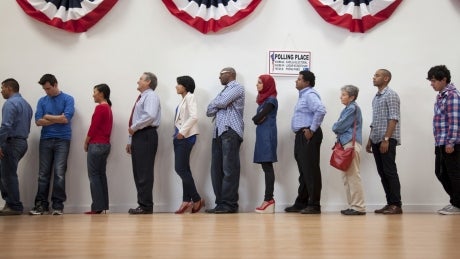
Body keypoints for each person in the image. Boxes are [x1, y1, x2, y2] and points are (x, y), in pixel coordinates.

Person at [30, 74, 75, 216]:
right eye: (45, 89)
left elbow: (66, 119)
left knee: (59, 173)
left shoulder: (68, 99)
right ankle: (40, 206)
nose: (47, 92)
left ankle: (57, 206)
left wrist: (47, 116)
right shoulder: (42, 101)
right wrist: (57, 118)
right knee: (43, 174)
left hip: (63, 140)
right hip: (45, 140)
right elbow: (38, 121)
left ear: (55, 84)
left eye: (48, 88)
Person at [285, 70, 326, 214]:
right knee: (304, 171)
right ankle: (301, 202)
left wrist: (312, 130)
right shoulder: (303, 96)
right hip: (302, 135)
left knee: (311, 171)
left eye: (299, 79)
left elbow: (321, 110)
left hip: (308, 135)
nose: (296, 81)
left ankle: (314, 205)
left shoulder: (310, 95)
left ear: (307, 82)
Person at [205, 67, 245, 214]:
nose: (219, 77)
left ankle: (230, 204)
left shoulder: (237, 87)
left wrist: (218, 102)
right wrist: (219, 102)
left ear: (230, 74)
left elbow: (221, 103)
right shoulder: (223, 92)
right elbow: (209, 111)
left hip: (230, 131)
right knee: (216, 170)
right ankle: (221, 203)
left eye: (221, 74)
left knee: (230, 169)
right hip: (218, 133)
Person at [366, 69, 402, 215]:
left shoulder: (391, 95)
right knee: (382, 172)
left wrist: (386, 139)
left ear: (386, 78)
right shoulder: (376, 97)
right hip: (376, 139)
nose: (374, 77)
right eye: (374, 75)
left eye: (377, 75)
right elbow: (375, 121)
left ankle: (396, 204)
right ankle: (389, 203)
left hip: (387, 139)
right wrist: (370, 140)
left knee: (390, 172)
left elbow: (394, 118)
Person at [126, 72, 161, 214]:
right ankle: (143, 204)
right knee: (139, 171)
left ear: (148, 82)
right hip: (140, 136)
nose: (138, 81)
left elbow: (150, 116)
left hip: (146, 135)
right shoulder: (143, 97)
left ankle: (146, 206)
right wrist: (130, 139)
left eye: (140, 79)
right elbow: (137, 119)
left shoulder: (151, 96)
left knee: (144, 172)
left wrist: (133, 129)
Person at [427, 65, 460, 215]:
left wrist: (450, 142)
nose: (431, 84)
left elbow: (455, 120)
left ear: (444, 79)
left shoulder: (452, 95)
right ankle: (455, 202)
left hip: (450, 143)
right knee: (441, 172)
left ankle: (458, 204)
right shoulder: (441, 95)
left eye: (434, 80)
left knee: (454, 174)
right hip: (440, 142)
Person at [0, 78, 33, 216]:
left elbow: (6, 126)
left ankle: (14, 206)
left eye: (2, 88)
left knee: (8, 174)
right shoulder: (26, 104)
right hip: (22, 142)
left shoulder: (10, 103)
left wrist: (0, 144)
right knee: (6, 173)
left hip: (11, 142)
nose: (1, 91)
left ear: (9, 88)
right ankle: (10, 203)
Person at [332, 85, 366, 216]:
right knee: (347, 176)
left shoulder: (352, 108)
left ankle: (359, 207)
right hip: (346, 144)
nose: (341, 97)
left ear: (352, 97)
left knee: (353, 175)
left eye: (344, 95)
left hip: (350, 145)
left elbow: (338, 126)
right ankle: (353, 205)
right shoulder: (348, 108)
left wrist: (336, 125)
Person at [173, 75, 205, 214]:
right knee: (184, 169)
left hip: (185, 137)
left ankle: (197, 199)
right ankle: (186, 200)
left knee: (180, 168)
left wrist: (182, 132)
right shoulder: (183, 100)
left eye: (178, 84)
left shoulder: (190, 97)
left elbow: (194, 116)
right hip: (180, 137)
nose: (176, 86)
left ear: (185, 86)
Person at [84, 84, 113, 214]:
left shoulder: (100, 108)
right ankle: (102, 206)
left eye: (95, 92)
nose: (93, 94)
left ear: (101, 93)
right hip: (105, 145)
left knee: (94, 176)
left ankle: (97, 207)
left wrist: (86, 142)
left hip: (96, 145)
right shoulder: (108, 108)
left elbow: (93, 127)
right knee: (101, 175)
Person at [252, 74, 278, 213]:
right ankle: (268, 200)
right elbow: (257, 118)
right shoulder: (264, 101)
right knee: (265, 166)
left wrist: (257, 118)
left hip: (267, 136)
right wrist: (257, 119)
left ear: (267, 85)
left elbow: (257, 118)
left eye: (260, 83)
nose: (257, 85)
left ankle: (268, 200)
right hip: (263, 135)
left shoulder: (271, 100)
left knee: (267, 166)